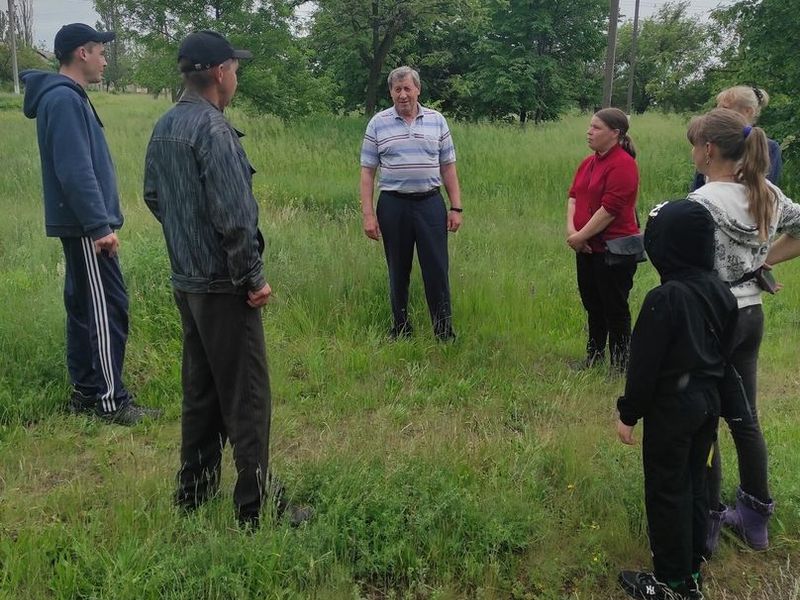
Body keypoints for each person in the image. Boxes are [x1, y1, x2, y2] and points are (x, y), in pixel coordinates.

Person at [143, 30, 310, 528]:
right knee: (247, 397)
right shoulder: (214, 131)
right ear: (219, 73)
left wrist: (186, 241)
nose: (236, 76)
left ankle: (193, 495)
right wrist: (252, 277)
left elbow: (154, 196)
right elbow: (236, 217)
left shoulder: (166, 124)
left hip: (187, 282)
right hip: (223, 286)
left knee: (201, 391)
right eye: (235, 69)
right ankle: (257, 509)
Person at [20, 24, 160, 425]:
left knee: (84, 307)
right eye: (100, 52)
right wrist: (100, 226)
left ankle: (85, 393)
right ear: (82, 53)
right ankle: (111, 401)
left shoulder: (65, 97)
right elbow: (74, 169)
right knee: (107, 308)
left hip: (81, 226)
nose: (103, 59)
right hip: (86, 229)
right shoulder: (64, 100)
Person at [686, 108, 800, 553]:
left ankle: (708, 519)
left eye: (695, 144)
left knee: (705, 420)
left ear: (708, 149)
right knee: (745, 417)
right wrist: (763, 261)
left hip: (712, 318)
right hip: (750, 316)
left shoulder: (699, 205)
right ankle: (755, 517)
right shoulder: (766, 192)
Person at [616, 200, 739, 600]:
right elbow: (726, 354)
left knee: (667, 489)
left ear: (665, 246)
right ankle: (692, 571)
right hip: (707, 405)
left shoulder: (663, 299)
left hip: (671, 410)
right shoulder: (723, 294)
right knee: (694, 483)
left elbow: (643, 367)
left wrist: (628, 414)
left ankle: (669, 583)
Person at [360, 66, 463, 341]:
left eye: (407, 88)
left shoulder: (437, 120)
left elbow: (448, 166)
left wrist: (456, 207)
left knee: (437, 269)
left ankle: (443, 332)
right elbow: (367, 172)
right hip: (393, 205)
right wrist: (368, 214)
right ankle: (401, 329)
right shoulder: (378, 123)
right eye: (397, 89)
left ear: (418, 89)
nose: (403, 95)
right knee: (398, 269)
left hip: (430, 204)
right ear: (391, 93)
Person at [566, 108, 641, 372]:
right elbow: (573, 196)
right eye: (590, 126)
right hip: (586, 247)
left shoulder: (623, 164)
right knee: (592, 304)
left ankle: (620, 365)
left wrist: (580, 235)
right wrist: (573, 235)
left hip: (613, 249)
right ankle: (594, 356)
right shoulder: (588, 163)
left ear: (615, 133)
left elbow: (610, 210)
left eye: (596, 127)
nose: (589, 131)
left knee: (614, 307)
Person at [692, 86, 782, 191]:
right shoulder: (712, 142)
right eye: (717, 108)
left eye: (725, 108)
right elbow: (697, 188)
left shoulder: (769, 147)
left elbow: (764, 191)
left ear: (748, 111)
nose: (718, 113)